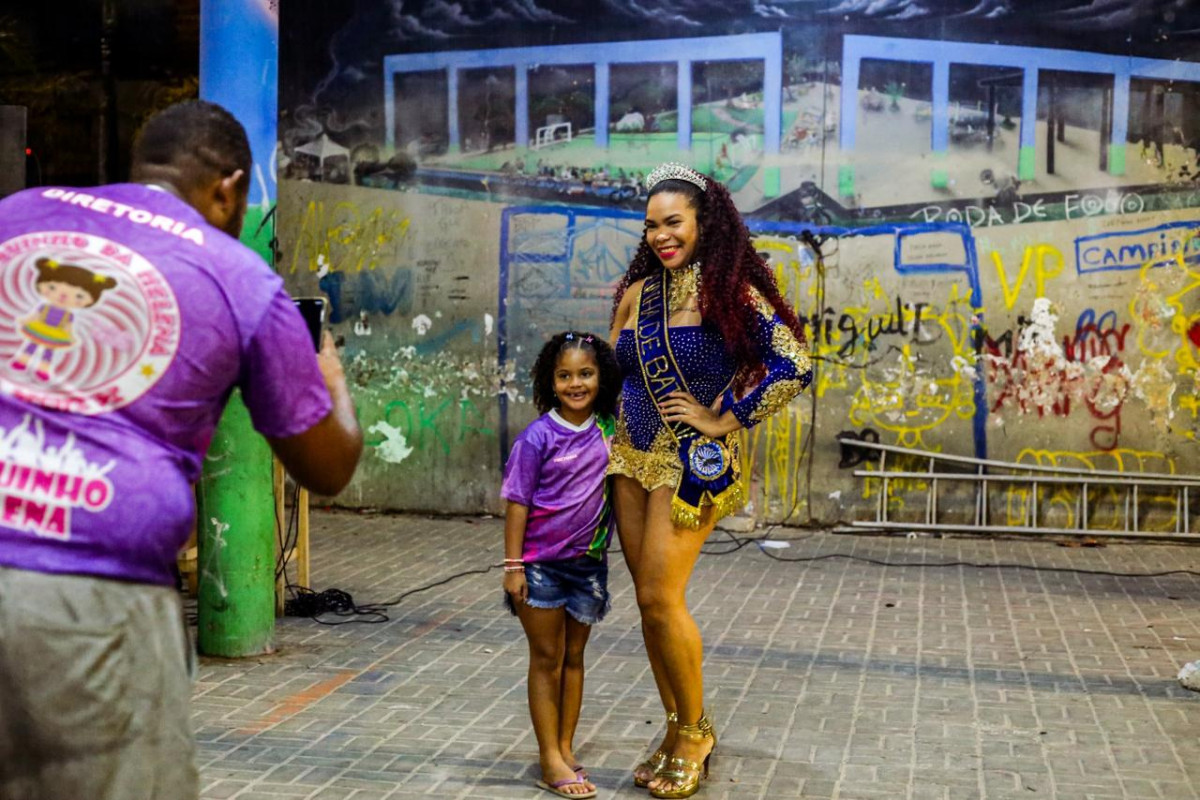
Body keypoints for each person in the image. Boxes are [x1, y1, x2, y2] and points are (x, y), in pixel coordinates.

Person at [0, 100, 363, 800]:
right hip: (91, 602)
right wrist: (332, 376)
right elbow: (327, 465)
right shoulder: (241, 278)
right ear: (227, 188)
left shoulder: (20, 212)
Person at [608, 163, 812, 798]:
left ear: (704, 223)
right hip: (630, 461)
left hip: (687, 463)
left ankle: (696, 731)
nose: (663, 236)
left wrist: (725, 418)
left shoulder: (732, 292)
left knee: (663, 599)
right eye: (652, 226)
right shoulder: (639, 294)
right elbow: (616, 366)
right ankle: (675, 724)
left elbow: (794, 364)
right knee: (647, 605)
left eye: (674, 223)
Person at [501, 331, 621, 799]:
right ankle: (549, 757)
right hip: (540, 568)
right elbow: (516, 503)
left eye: (586, 374)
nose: (576, 383)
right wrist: (513, 567)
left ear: (600, 377)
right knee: (546, 660)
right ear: (551, 382)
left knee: (574, 659)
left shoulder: (610, 429)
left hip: (588, 568)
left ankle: (565, 746)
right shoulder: (537, 438)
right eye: (565, 375)